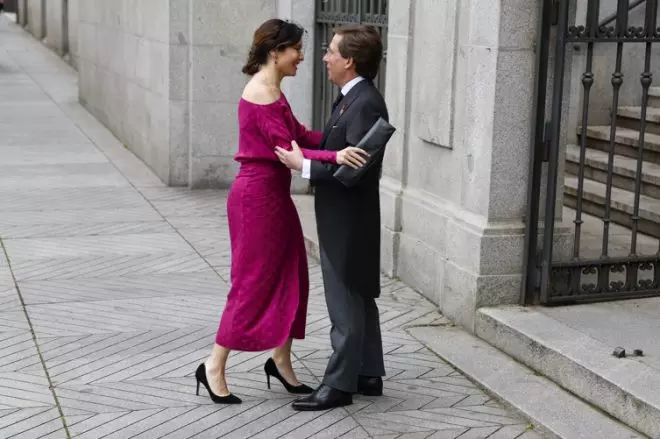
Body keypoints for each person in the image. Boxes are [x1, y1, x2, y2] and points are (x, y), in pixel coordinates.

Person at [195, 19, 369, 404]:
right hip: (256, 199)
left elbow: (301, 135)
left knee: (294, 276)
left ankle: (281, 361)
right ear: (276, 51)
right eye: (296, 49)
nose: (303, 57)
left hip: (274, 198)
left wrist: (339, 139)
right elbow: (290, 151)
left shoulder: (273, 88)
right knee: (252, 282)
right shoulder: (260, 92)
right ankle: (213, 365)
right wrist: (335, 154)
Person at [275, 24, 389, 411]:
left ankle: (339, 385)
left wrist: (301, 165)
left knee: (344, 300)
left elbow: (354, 168)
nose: (324, 57)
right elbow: (340, 150)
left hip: (348, 218)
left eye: (331, 51)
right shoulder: (351, 98)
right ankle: (368, 373)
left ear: (350, 61)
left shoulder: (365, 102)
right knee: (358, 293)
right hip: (346, 216)